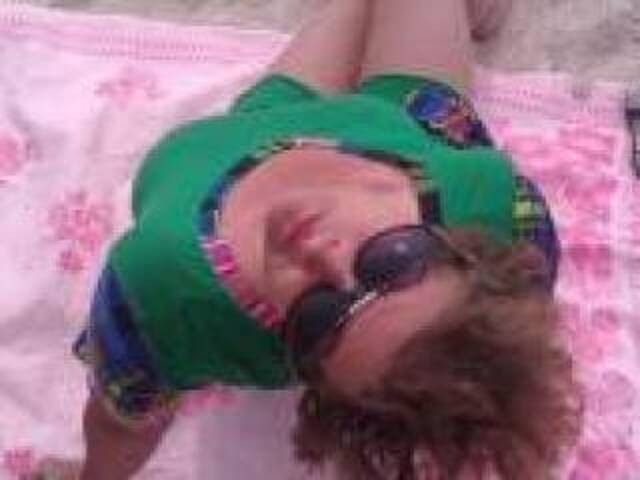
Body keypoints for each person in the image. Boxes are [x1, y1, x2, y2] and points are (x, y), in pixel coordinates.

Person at [34, 0, 583, 478]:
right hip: (400, 119)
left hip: (250, 129)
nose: (321, 255)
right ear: (466, 249)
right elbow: (517, 311)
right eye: (393, 261)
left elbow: (123, 418)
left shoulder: (162, 297)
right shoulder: (490, 199)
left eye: (318, 318)